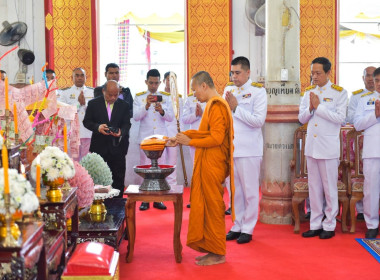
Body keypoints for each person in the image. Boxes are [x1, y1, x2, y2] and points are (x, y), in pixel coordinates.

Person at [167, 71, 234, 266]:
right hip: (207, 163)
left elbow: (216, 138)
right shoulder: (211, 106)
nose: (194, 94)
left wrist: (190, 141)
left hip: (213, 164)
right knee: (207, 206)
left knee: (213, 207)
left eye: (195, 89)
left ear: (204, 86)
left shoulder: (217, 105)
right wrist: (179, 138)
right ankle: (211, 248)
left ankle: (218, 253)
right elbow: (203, 132)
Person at [299, 57, 347, 239]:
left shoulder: (339, 93)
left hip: (328, 148)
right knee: (314, 188)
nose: (315, 76)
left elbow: (340, 118)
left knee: (329, 188)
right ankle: (315, 223)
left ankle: (329, 224)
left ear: (328, 73)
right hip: (312, 147)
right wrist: (310, 109)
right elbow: (302, 118)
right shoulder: (308, 92)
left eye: (318, 73)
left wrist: (319, 108)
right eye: (312, 73)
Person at [223, 56, 267, 244]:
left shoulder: (258, 92)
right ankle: (237, 224)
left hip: (249, 149)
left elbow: (258, 121)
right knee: (234, 191)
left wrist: (236, 108)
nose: (234, 76)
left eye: (238, 73)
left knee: (249, 191)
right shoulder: (228, 90)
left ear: (248, 72)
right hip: (231, 148)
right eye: (232, 72)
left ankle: (248, 228)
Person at [133, 69, 174, 210]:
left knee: (159, 168)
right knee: (145, 168)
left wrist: (162, 110)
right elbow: (136, 116)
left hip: (160, 138)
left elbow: (171, 117)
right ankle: (145, 199)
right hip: (145, 138)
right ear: (146, 82)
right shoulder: (139, 97)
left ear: (160, 82)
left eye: (156, 83)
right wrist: (146, 106)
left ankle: (158, 199)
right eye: (151, 83)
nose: (154, 86)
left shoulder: (166, 97)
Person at [83, 80, 131, 198]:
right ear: (103, 91)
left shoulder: (124, 105)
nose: (113, 97)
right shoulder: (93, 104)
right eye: (110, 95)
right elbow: (87, 122)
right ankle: (100, 205)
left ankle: (118, 207)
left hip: (118, 148)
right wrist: (98, 127)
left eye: (116, 94)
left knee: (118, 179)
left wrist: (121, 132)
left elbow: (127, 124)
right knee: (99, 179)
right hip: (99, 148)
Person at [353, 66, 380, 239]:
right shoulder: (365, 100)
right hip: (373, 150)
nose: (378, 84)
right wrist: (375, 116)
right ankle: (372, 224)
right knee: (371, 189)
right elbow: (357, 124)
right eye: (377, 80)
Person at [347, 66, 376, 220]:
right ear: (363, 78)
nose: (371, 80)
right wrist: (373, 117)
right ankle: (366, 216)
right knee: (367, 182)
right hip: (364, 145)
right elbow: (353, 120)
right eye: (369, 76)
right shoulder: (359, 97)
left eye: (375, 77)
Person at [59, 68, 94, 160]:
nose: (79, 78)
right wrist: (78, 104)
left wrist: (85, 104)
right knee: (74, 164)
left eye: (82, 75)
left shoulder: (93, 92)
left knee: (87, 164)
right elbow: (63, 113)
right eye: (77, 75)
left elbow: (96, 112)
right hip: (72, 134)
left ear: (86, 77)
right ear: (72, 78)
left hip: (88, 133)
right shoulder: (65, 93)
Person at [182, 78, 206, 208]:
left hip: (208, 138)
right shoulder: (190, 99)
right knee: (196, 168)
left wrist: (203, 114)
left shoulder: (211, 98)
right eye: (193, 88)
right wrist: (196, 115)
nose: (194, 91)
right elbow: (185, 119)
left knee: (207, 170)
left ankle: (206, 198)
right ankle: (196, 198)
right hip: (194, 139)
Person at [163, 71, 183, 186]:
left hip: (173, 134)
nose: (170, 82)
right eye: (168, 80)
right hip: (161, 134)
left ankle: (172, 189)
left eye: (172, 80)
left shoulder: (178, 98)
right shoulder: (159, 96)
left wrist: (181, 135)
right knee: (160, 162)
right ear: (164, 81)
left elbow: (180, 119)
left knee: (172, 163)